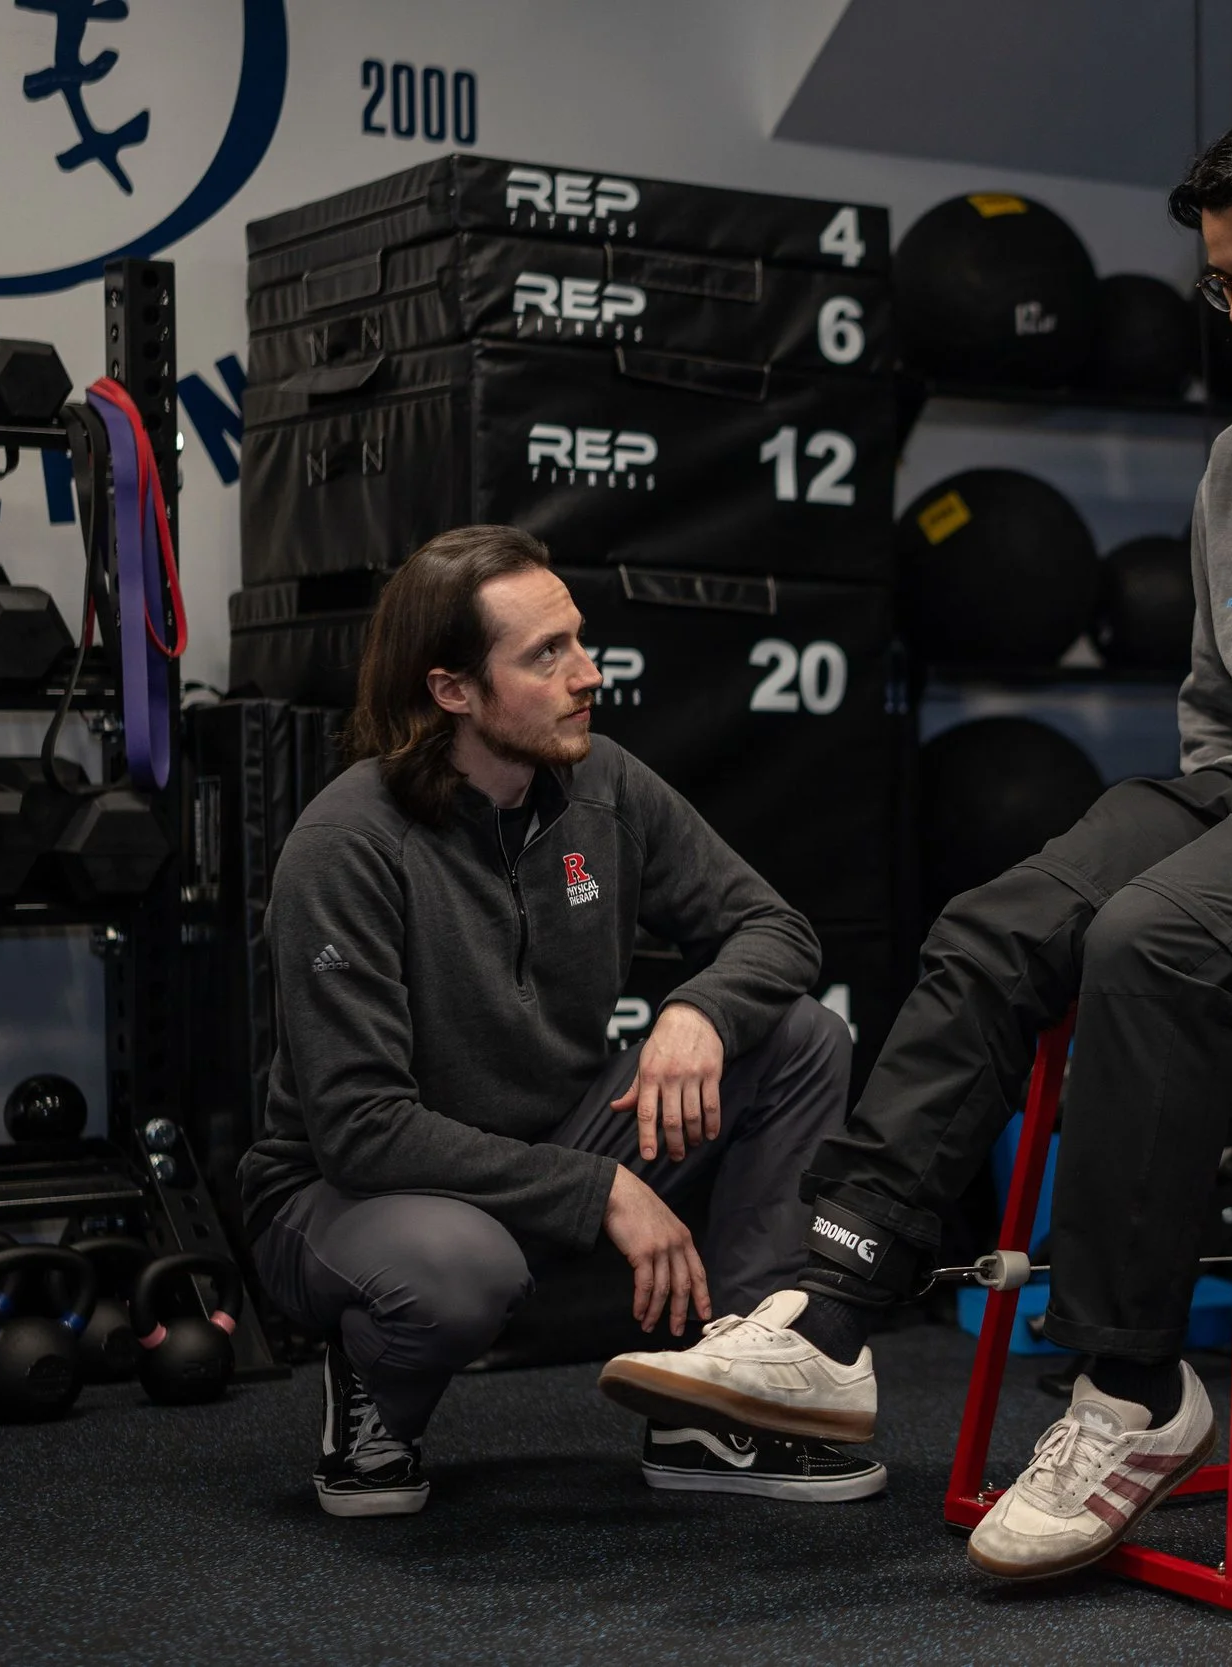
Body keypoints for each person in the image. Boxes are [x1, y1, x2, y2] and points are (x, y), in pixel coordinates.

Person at [599, 80, 1232, 1579]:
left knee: (1153, 939)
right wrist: (1212, 821)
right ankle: (830, 1314)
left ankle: (1137, 1388)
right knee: (997, 919)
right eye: (1219, 279)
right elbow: (1217, 701)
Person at [238, 524, 880, 1517]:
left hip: (542, 1139)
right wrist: (603, 1188)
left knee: (797, 1037)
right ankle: (375, 1382)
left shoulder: (603, 784)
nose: (590, 674)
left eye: (580, 641)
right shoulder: (345, 844)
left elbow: (773, 928)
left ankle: (728, 1388)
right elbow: (362, 1127)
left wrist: (698, 1010)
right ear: (452, 688)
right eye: (546, 654)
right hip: (343, 1191)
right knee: (456, 1271)